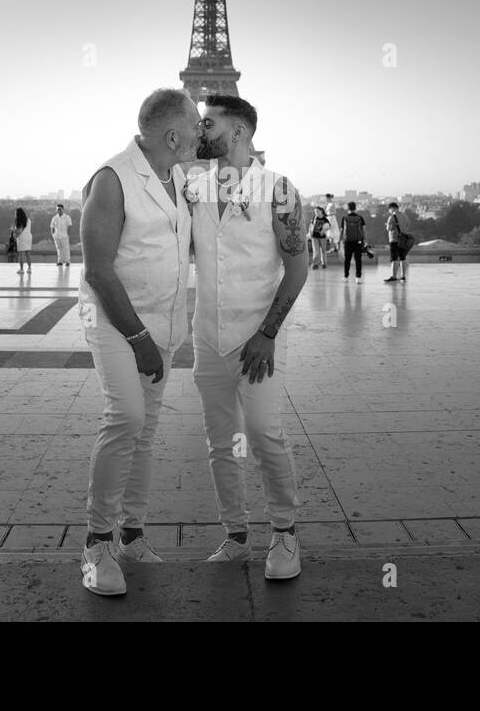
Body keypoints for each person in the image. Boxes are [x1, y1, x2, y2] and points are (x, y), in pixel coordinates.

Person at [76, 88, 200, 597]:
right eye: (195, 125)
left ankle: (131, 533)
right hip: (114, 317)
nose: (200, 132)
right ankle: (96, 543)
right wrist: (140, 339)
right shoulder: (112, 180)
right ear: (173, 135)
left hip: (164, 319)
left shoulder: (178, 177)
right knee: (125, 417)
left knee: (145, 430)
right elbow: (99, 272)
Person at [190, 94, 308, 581]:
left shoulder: (278, 190)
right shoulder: (192, 187)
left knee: (264, 434)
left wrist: (267, 334)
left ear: (237, 131)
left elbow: (298, 267)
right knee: (221, 441)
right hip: (207, 336)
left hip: (258, 337)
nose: (200, 131)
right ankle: (235, 534)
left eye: (208, 123)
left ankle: (284, 532)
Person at [340, 201, 367, 283]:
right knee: (358, 260)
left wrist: (339, 241)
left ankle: (346, 277)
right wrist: (365, 240)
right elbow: (364, 230)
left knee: (347, 260)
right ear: (355, 208)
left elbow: (342, 231)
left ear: (348, 208)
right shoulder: (360, 218)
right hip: (358, 241)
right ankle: (358, 278)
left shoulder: (344, 218)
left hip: (347, 241)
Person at [384, 202, 410, 282]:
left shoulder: (392, 217)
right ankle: (403, 276)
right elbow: (408, 225)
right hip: (403, 239)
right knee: (403, 258)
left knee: (394, 259)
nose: (389, 211)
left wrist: (387, 225)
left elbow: (389, 228)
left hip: (394, 240)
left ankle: (394, 276)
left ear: (392, 208)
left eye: (389, 209)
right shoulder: (405, 216)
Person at [10, 207, 33, 273]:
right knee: (28, 254)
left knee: (21, 254)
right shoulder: (28, 220)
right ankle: (29, 268)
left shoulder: (19, 220)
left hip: (22, 237)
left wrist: (13, 230)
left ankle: (21, 269)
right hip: (29, 237)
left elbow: (19, 231)